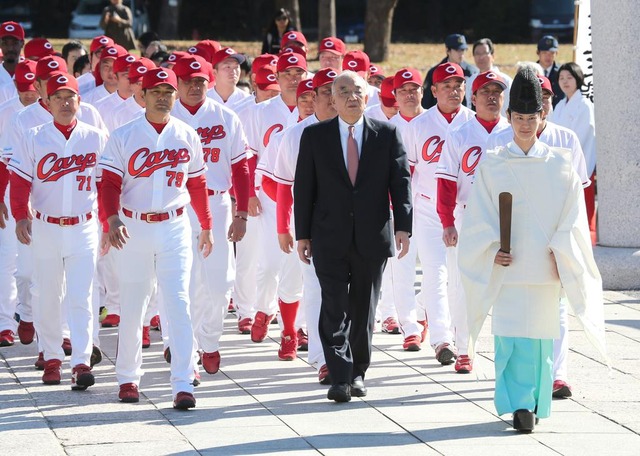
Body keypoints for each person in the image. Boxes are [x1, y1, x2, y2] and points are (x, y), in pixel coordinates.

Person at [458, 67, 606, 432]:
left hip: (543, 265)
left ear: (543, 117)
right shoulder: (493, 163)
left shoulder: (560, 164)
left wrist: (562, 251)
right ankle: (517, 404)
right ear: (508, 118)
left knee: (541, 341)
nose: (525, 124)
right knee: (509, 338)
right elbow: (479, 215)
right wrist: (492, 248)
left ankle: (535, 402)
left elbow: (573, 215)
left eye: (532, 117)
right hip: (509, 267)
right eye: (519, 117)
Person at [294, 71, 412, 402]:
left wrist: (403, 225)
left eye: (356, 90)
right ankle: (339, 374)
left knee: (364, 307)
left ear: (367, 95)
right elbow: (304, 187)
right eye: (342, 91)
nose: (350, 97)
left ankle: (358, 371)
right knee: (333, 305)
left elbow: (400, 181)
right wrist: (302, 233)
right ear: (331, 97)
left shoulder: (386, 134)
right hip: (328, 235)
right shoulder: (315, 136)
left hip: (372, 236)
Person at [98, 67, 213, 409]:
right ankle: (128, 378)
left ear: (175, 95)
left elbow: (197, 183)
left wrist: (206, 224)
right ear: (142, 95)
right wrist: (112, 219)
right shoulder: (123, 135)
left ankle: (183, 381)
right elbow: (108, 183)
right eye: (155, 91)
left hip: (175, 225)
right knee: (134, 303)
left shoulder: (187, 134)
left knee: (177, 301)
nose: (162, 96)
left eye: (168, 91)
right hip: (133, 226)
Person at [8, 73, 107, 390]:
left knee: (81, 296)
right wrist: (21, 216)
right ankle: (51, 357)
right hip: (46, 225)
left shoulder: (95, 136)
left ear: (80, 101)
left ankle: (80, 361)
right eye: (58, 98)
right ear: (47, 102)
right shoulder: (34, 135)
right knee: (47, 294)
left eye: (70, 97)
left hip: (84, 225)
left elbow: (107, 183)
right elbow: (20, 180)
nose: (65, 103)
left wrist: (109, 222)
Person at [435, 70, 510, 373]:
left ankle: (506, 346)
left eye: (497, 92)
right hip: (467, 213)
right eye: (485, 91)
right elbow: (445, 181)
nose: (492, 97)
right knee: (462, 281)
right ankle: (464, 346)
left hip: (506, 216)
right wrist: (446, 221)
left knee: (507, 282)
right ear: (473, 97)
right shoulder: (460, 134)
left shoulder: (514, 131)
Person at [403, 62, 474, 365]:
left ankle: (461, 337)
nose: (453, 90)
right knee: (435, 272)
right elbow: (406, 171)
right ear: (433, 90)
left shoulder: (472, 122)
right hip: (428, 207)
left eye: (458, 85)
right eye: (446, 85)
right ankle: (442, 340)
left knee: (460, 276)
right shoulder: (418, 125)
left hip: (465, 210)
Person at [549, 62, 596, 245]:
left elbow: (581, 137)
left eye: (569, 77)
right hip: (559, 166)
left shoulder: (584, 105)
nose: (565, 81)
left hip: (579, 164)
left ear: (578, 79)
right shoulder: (560, 105)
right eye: (561, 78)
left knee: (583, 208)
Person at [422, 34, 478, 109]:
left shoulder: (471, 72)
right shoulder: (434, 72)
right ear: (448, 50)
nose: (461, 54)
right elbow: (427, 101)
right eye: (457, 50)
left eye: (463, 50)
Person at [466, 38, 512, 116]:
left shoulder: (505, 80)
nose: (481, 57)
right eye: (477, 54)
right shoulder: (470, 81)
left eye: (484, 53)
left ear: (493, 56)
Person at [536, 35, 564, 107]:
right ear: (538, 52)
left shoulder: (562, 73)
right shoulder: (531, 72)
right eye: (544, 53)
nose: (548, 57)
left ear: (556, 53)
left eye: (552, 53)